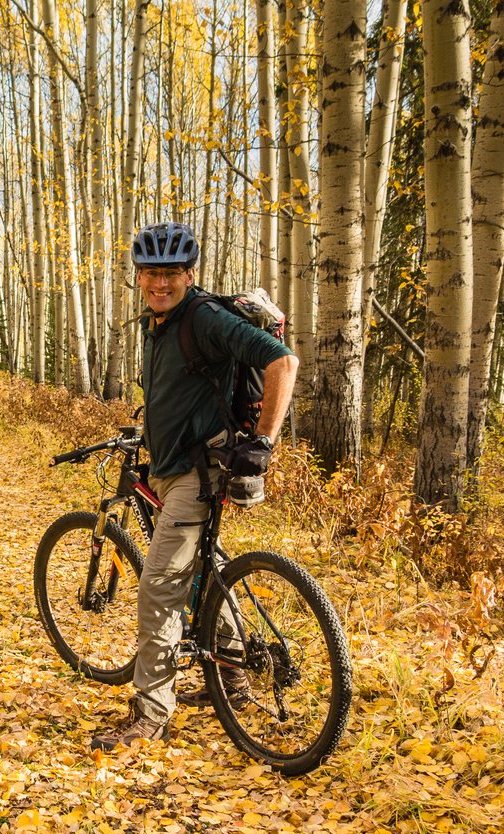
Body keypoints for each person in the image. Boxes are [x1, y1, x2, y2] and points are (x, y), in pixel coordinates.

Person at [91, 222, 299, 751]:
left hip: (200, 471)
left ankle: (150, 712)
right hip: (169, 463)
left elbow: (283, 362)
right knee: (201, 573)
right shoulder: (155, 322)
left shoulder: (203, 317)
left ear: (189, 274)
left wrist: (265, 443)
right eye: (150, 274)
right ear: (139, 277)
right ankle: (230, 679)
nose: (160, 283)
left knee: (159, 585)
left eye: (170, 274)